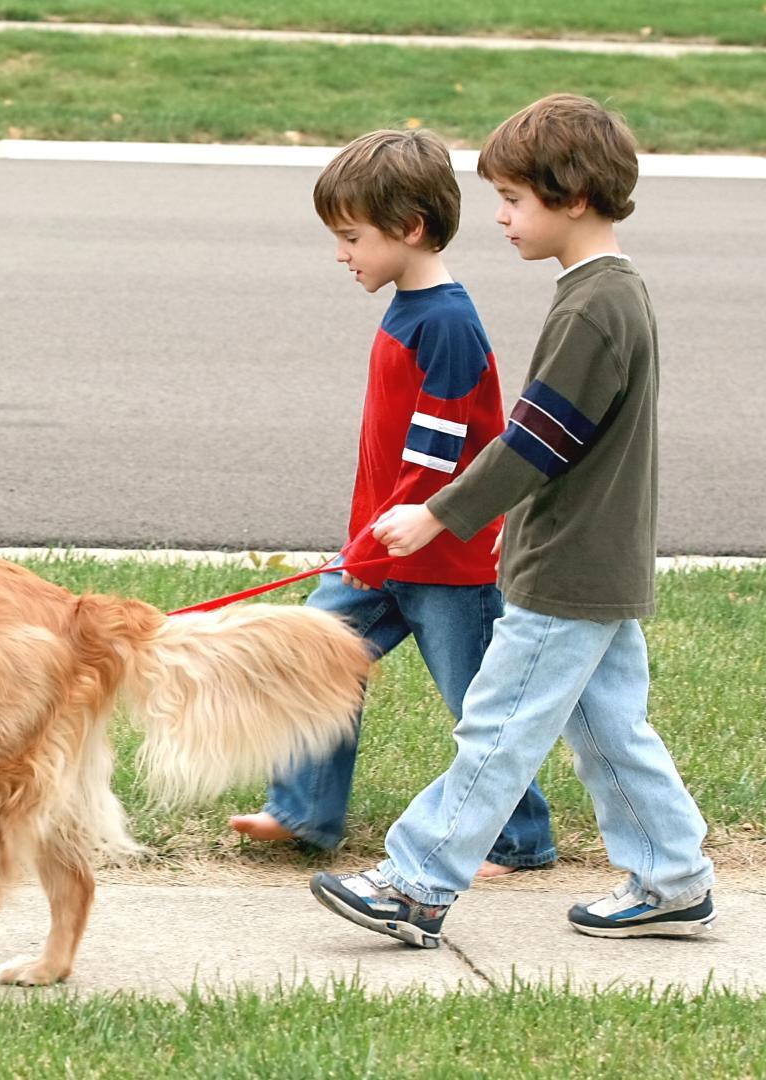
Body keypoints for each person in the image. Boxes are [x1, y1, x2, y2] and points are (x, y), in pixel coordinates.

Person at [311, 94, 716, 948]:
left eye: (514, 200)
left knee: (498, 726)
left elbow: (537, 440)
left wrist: (437, 515)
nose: (499, 217)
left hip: (569, 566)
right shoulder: (605, 293)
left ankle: (416, 883)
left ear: (572, 199)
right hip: (594, 562)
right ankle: (673, 877)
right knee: (610, 729)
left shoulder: (594, 307)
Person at [227, 128, 555, 879]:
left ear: (409, 229)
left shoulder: (444, 322)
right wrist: (368, 546)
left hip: (443, 560)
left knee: (481, 705)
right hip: (380, 552)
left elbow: (433, 462)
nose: (342, 253)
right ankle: (305, 811)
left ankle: (521, 838)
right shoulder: (412, 307)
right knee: (313, 660)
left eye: (351, 237)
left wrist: (381, 543)